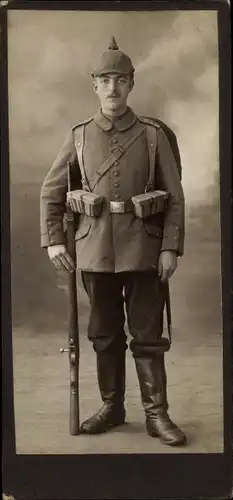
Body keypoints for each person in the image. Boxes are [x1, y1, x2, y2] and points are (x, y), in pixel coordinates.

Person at [40, 37, 186, 446]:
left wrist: (170, 247)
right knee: (104, 335)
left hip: (145, 250)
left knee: (147, 335)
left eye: (120, 79)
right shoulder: (80, 136)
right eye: (105, 80)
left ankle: (157, 416)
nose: (112, 88)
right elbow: (51, 192)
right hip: (94, 251)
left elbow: (174, 197)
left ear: (131, 83)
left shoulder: (153, 135)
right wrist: (55, 242)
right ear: (94, 85)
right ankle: (112, 407)